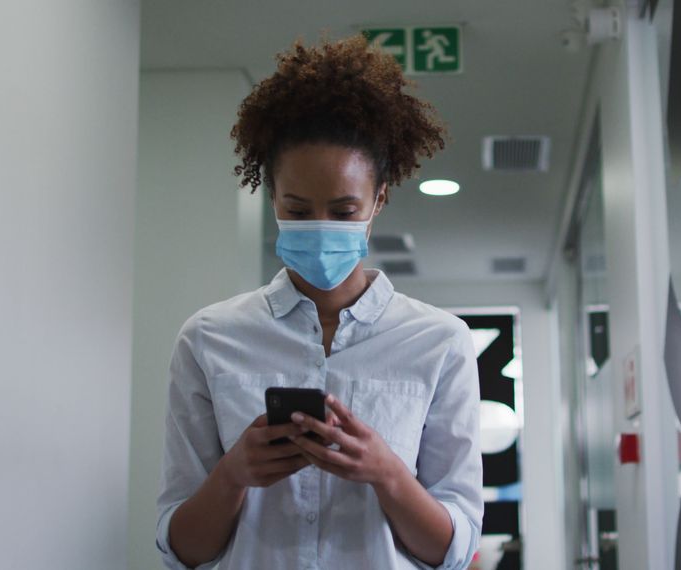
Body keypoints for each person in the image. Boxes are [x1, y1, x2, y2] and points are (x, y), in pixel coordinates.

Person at [155, 35, 483, 570]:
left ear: (378, 199)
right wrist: (233, 475)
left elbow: (456, 551)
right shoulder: (209, 339)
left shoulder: (440, 342)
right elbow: (182, 552)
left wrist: (387, 472)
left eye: (344, 208)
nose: (320, 227)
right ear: (271, 196)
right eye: (299, 209)